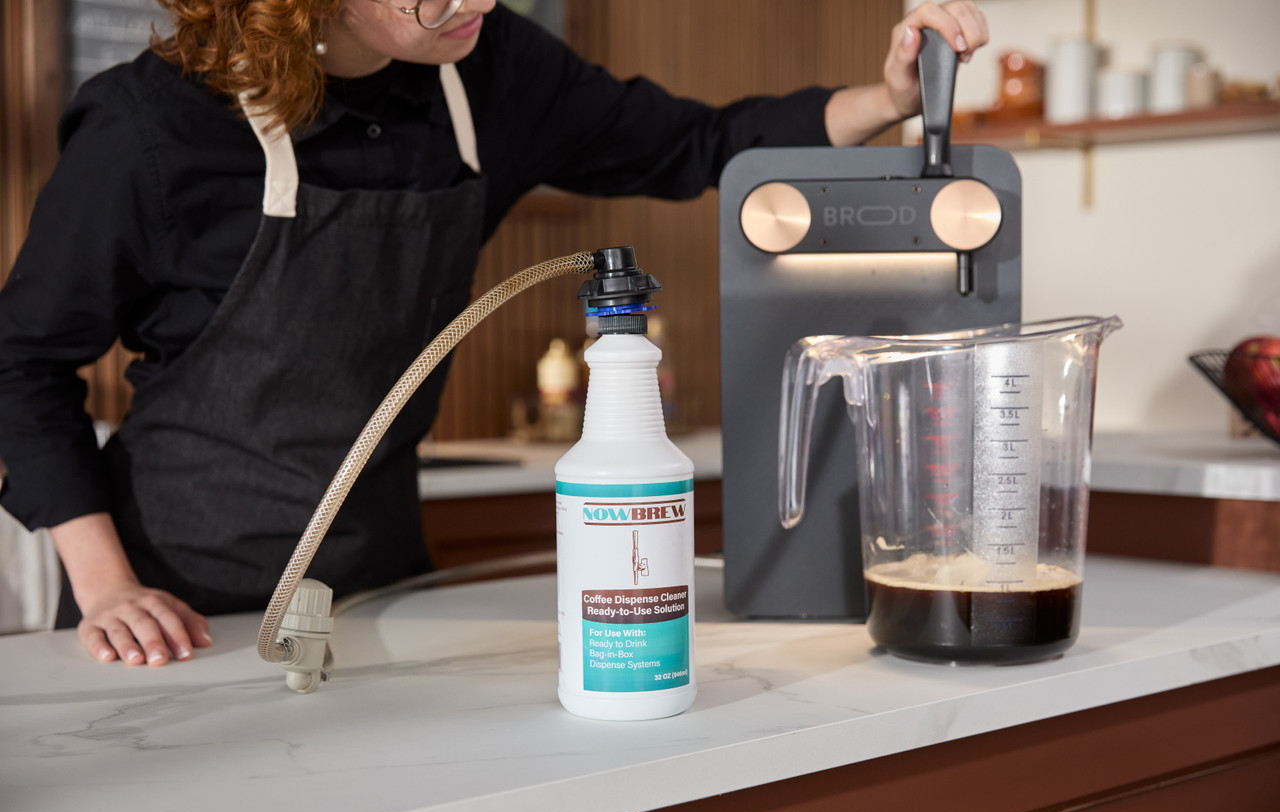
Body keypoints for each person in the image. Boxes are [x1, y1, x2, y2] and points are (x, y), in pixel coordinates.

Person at [0, 0, 988, 667]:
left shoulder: (489, 67)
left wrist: (889, 100)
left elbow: (698, 143)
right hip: (173, 612)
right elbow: (20, 363)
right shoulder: (150, 126)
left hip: (378, 595)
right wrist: (107, 585)